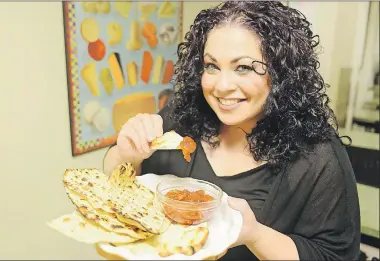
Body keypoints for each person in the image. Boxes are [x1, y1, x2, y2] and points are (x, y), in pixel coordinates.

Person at [103, 1, 361, 260]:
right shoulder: (179, 119)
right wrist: (127, 155)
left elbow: (333, 254)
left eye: (244, 67)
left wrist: (256, 235)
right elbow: (118, 191)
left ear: (282, 74)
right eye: (212, 66)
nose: (222, 86)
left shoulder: (318, 156)